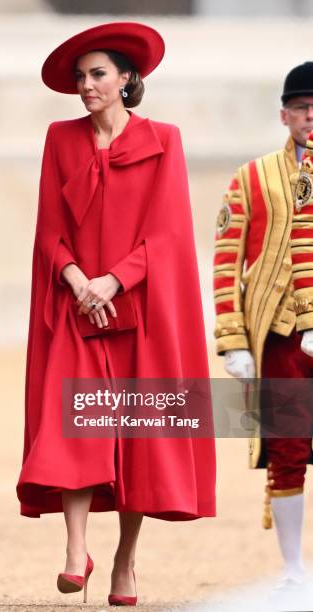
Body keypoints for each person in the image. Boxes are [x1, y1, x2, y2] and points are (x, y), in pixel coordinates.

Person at [17, 22, 216, 606]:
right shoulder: (60, 138)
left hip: (139, 309)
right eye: (80, 77)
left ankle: (125, 562)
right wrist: (79, 280)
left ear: (128, 78)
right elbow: (49, 228)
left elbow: (170, 232)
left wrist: (113, 279)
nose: (86, 86)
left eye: (97, 74)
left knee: (137, 439)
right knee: (70, 427)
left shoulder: (165, 139)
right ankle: (77, 551)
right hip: (76, 307)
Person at [213, 62, 313, 606]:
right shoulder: (251, 178)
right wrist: (232, 339)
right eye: (302, 107)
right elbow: (227, 260)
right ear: (284, 114)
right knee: (288, 450)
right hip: (279, 335)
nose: (311, 116)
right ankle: (294, 567)